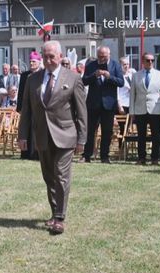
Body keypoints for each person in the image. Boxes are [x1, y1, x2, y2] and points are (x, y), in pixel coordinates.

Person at [18, 40, 87, 235]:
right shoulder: (33, 80)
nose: (48, 60)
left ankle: (60, 217)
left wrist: (82, 139)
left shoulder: (73, 79)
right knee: (49, 176)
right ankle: (54, 211)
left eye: (51, 56)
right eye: (45, 56)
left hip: (66, 135)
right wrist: (22, 135)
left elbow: (82, 112)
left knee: (61, 175)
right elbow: (27, 111)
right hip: (42, 135)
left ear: (60, 56)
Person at [80, 46, 124, 163]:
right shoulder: (91, 65)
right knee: (90, 131)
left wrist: (109, 77)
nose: (101, 59)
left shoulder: (115, 65)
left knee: (107, 131)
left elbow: (121, 83)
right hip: (93, 104)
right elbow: (83, 81)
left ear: (109, 55)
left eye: (103, 57)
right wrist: (94, 75)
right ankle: (86, 155)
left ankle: (104, 156)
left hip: (109, 104)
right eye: (99, 56)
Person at [129, 53, 160, 165]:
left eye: (152, 60)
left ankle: (155, 158)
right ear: (143, 61)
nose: (150, 62)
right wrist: (132, 111)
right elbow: (132, 94)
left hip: (155, 109)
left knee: (156, 136)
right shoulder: (136, 75)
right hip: (140, 109)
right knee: (141, 135)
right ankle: (141, 158)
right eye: (147, 60)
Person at [16, 50, 42, 160]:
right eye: (30, 62)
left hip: (38, 106)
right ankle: (25, 153)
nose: (31, 64)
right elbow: (20, 92)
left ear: (39, 62)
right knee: (26, 129)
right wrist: (20, 107)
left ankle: (36, 153)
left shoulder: (42, 74)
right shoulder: (24, 75)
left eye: (34, 62)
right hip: (27, 106)